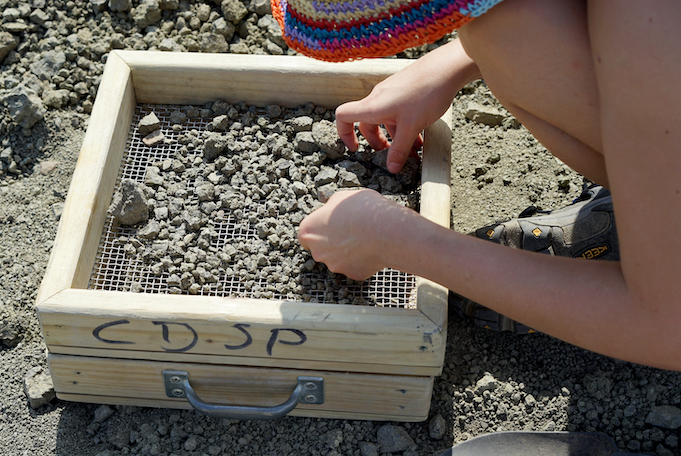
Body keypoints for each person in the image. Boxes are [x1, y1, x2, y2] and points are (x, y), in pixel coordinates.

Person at [272, 0, 681, 371]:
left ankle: (654, 262)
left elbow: (668, 328)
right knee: (506, 30)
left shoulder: (646, 20)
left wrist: (397, 240)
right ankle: (656, 223)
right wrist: (454, 62)